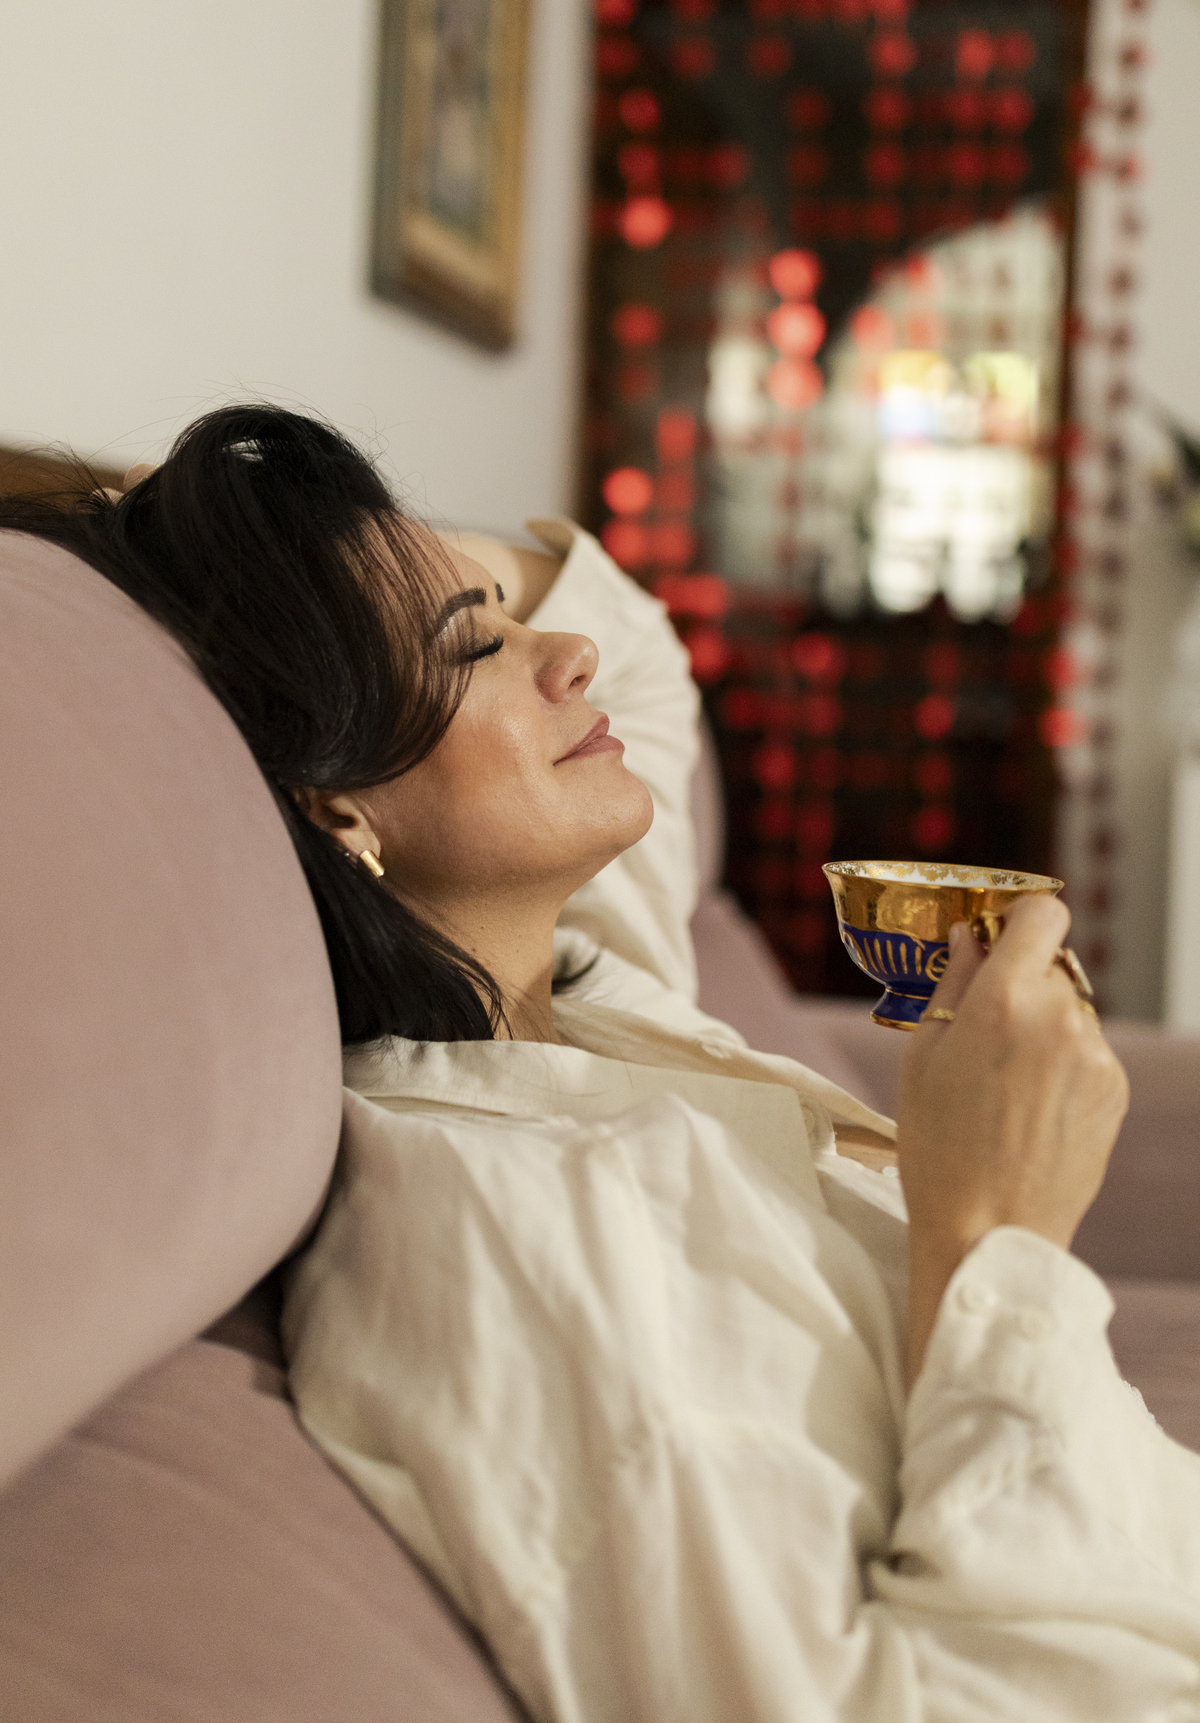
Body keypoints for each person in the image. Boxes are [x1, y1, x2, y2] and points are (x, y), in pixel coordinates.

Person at [7, 405, 1197, 1721]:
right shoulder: (514, 1232)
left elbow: (625, 635)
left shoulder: (580, 980)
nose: (564, 653)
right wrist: (995, 1234)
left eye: (503, 614)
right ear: (338, 806)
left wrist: (250, 539)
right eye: (477, 646)